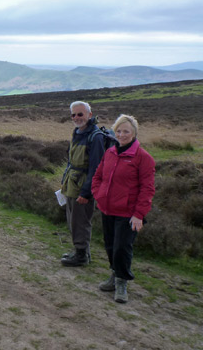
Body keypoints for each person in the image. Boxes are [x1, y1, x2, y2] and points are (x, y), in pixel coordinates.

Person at [92, 114, 155, 303]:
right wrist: (99, 194)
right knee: (110, 245)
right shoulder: (110, 152)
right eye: (118, 131)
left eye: (126, 131)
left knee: (122, 248)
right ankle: (114, 274)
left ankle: (121, 281)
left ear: (134, 133)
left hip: (128, 213)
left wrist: (139, 214)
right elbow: (98, 176)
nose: (121, 134)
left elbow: (147, 189)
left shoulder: (143, 158)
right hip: (107, 209)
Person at [60, 101, 106, 266]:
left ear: (90, 115)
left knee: (81, 221)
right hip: (72, 183)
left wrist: (86, 192)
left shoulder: (96, 137)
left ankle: (81, 256)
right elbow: (72, 162)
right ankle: (81, 252)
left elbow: (96, 168)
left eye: (80, 114)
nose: (76, 117)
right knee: (74, 219)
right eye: (73, 114)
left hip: (82, 187)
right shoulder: (78, 132)